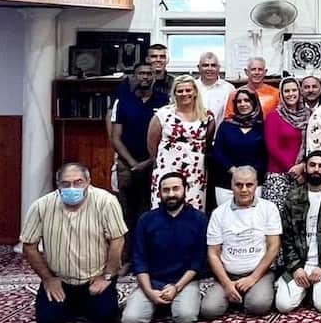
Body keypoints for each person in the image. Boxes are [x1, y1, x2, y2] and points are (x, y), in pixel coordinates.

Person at [21, 163, 126, 323]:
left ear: (88, 181)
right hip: (60, 280)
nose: (72, 188)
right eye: (65, 183)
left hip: (95, 278)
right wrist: (48, 279)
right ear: (58, 184)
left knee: (104, 317)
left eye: (78, 182)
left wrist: (106, 277)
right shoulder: (41, 206)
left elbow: (117, 240)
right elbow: (29, 245)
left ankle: (81, 305)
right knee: (48, 322)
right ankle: (71, 305)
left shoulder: (106, 202)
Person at [121, 171, 207, 323]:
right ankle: (157, 303)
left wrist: (176, 287)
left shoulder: (199, 219)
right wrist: (149, 291)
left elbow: (198, 260)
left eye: (176, 189)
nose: (171, 194)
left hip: (184, 282)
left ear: (185, 190)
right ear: (159, 192)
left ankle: (174, 303)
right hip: (153, 282)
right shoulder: (146, 220)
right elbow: (139, 259)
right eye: (166, 190)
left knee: (185, 317)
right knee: (130, 321)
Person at [275, 151, 321, 314]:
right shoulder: (293, 197)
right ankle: (306, 289)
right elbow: (286, 238)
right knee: (283, 306)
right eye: (312, 165)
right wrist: (296, 267)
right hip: (300, 264)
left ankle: (318, 289)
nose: (316, 169)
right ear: (306, 167)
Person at [200, 166, 281, 319]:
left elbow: (273, 247)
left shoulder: (269, 208)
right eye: (239, 185)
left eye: (249, 185)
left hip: (259, 273)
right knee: (209, 311)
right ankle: (236, 293)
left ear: (256, 185)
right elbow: (213, 253)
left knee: (257, 306)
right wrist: (226, 284)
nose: (244, 189)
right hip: (228, 274)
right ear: (232, 185)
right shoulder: (219, 213)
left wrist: (253, 278)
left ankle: (245, 295)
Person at [110, 62, 167, 233]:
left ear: (154, 77)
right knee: (126, 212)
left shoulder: (164, 101)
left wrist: (150, 161)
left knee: (151, 209)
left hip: (155, 164)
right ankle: (128, 255)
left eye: (149, 73)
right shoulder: (123, 101)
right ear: (134, 77)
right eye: (141, 73)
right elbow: (115, 137)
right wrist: (133, 163)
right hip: (127, 165)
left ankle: (148, 254)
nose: (145, 77)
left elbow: (166, 134)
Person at [148, 75, 215, 211]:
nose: (184, 94)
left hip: (195, 173)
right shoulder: (163, 114)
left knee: (193, 211)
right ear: (174, 93)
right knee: (165, 209)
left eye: (188, 90)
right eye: (180, 91)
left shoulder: (207, 116)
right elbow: (151, 143)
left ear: (195, 92)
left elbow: (207, 142)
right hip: (167, 169)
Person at [211, 87, 268, 207]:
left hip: (253, 183)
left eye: (247, 100)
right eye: (239, 101)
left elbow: (265, 154)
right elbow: (218, 152)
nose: (243, 104)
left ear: (254, 102)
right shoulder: (226, 125)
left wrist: (248, 174)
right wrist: (235, 171)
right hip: (226, 183)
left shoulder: (263, 127)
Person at [263, 77, 310, 208]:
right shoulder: (274, 116)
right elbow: (272, 148)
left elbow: (312, 144)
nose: (291, 94)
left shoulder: (308, 115)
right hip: (279, 176)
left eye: (294, 90)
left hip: (303, 174)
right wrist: (293, 171)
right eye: (287, 91)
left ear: (300, 92)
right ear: (281, 94)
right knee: (277, 221)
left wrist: (302, 166)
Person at [196, 52, 234, 122]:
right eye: (205, 65)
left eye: (213, 65)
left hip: (220, 132)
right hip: (193, 132)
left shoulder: (229, 89)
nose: (209, 69)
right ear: (199, 68)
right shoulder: (192, 87)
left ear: (219, 68)